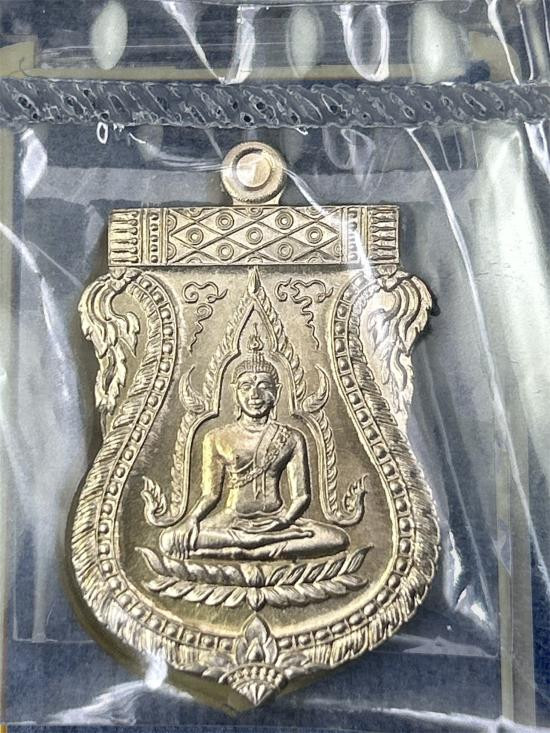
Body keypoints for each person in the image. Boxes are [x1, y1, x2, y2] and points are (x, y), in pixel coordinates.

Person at [160, 327, 349, 561]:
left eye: (264, 386)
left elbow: (301, 497)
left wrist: (283, 521)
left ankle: (245, 548)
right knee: (169, 540)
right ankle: (257, 546)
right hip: (231, 521)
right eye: (246, 386)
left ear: (277, 392)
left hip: (278, 520)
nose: (255, 395)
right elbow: (210, 495)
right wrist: (192, 519)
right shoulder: (216, 437)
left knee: (337, 538)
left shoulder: (291, 437)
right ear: (234, 392)